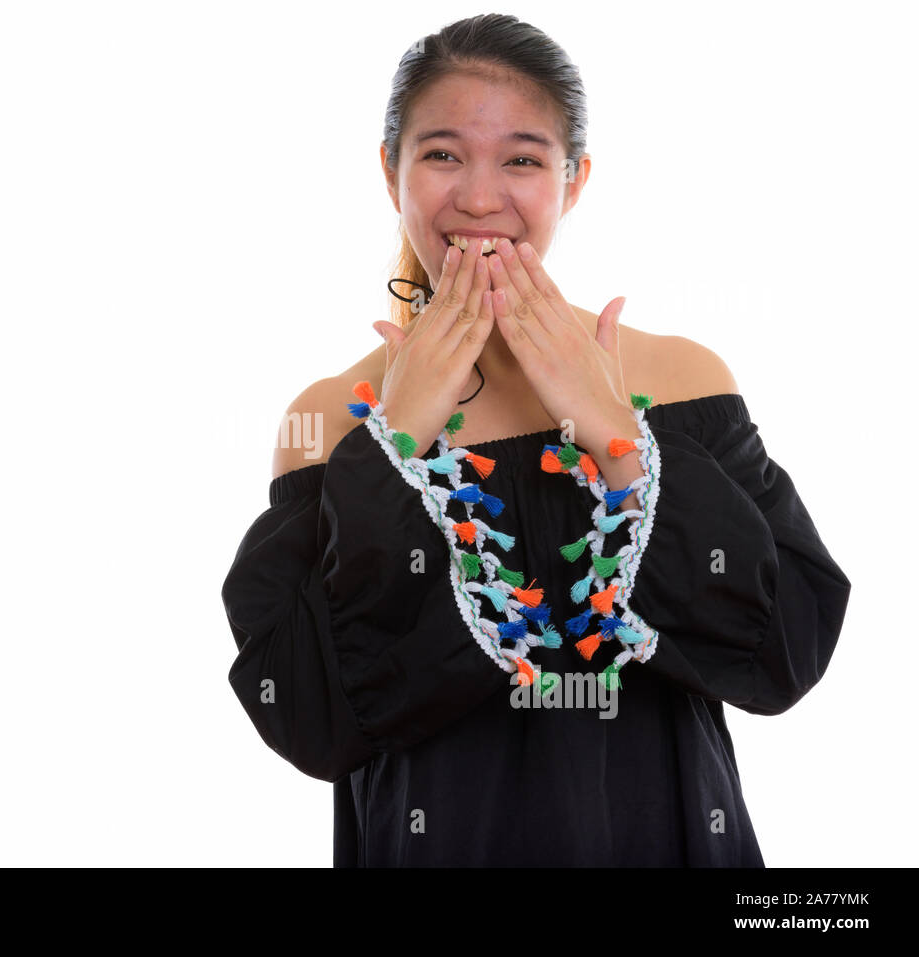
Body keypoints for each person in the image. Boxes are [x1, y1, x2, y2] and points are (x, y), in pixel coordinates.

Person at [219, 13, 851, 866]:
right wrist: (396, 441)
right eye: (442, 154)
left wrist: (617, 436)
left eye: (522, 158)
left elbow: (786, 653)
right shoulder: (331, 420)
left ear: (574, 178)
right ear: (389, 169)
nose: (480, 197)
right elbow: (306, 717)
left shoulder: (679, 376)